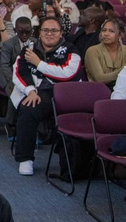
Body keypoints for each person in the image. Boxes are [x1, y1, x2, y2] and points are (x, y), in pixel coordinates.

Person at [11, 16, 81, 176]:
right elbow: (18, 71)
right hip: (36, 93)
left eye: (54, 30)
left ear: (61, 33)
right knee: (28, 109)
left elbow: (68, 74)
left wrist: (38, 64)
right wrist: (30, 90)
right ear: (39, 32)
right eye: (45, 30)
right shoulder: (30, 48)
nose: (49, 34)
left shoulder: (71, 49)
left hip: (64, 94)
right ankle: (25, 159)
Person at [84, 18, 126, 88]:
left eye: (111, 31)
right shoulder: (92, 51)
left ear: (120, 35)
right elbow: (100, 78)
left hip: (124, 90)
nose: (106, 34)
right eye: (104, 30)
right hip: (99, 91)